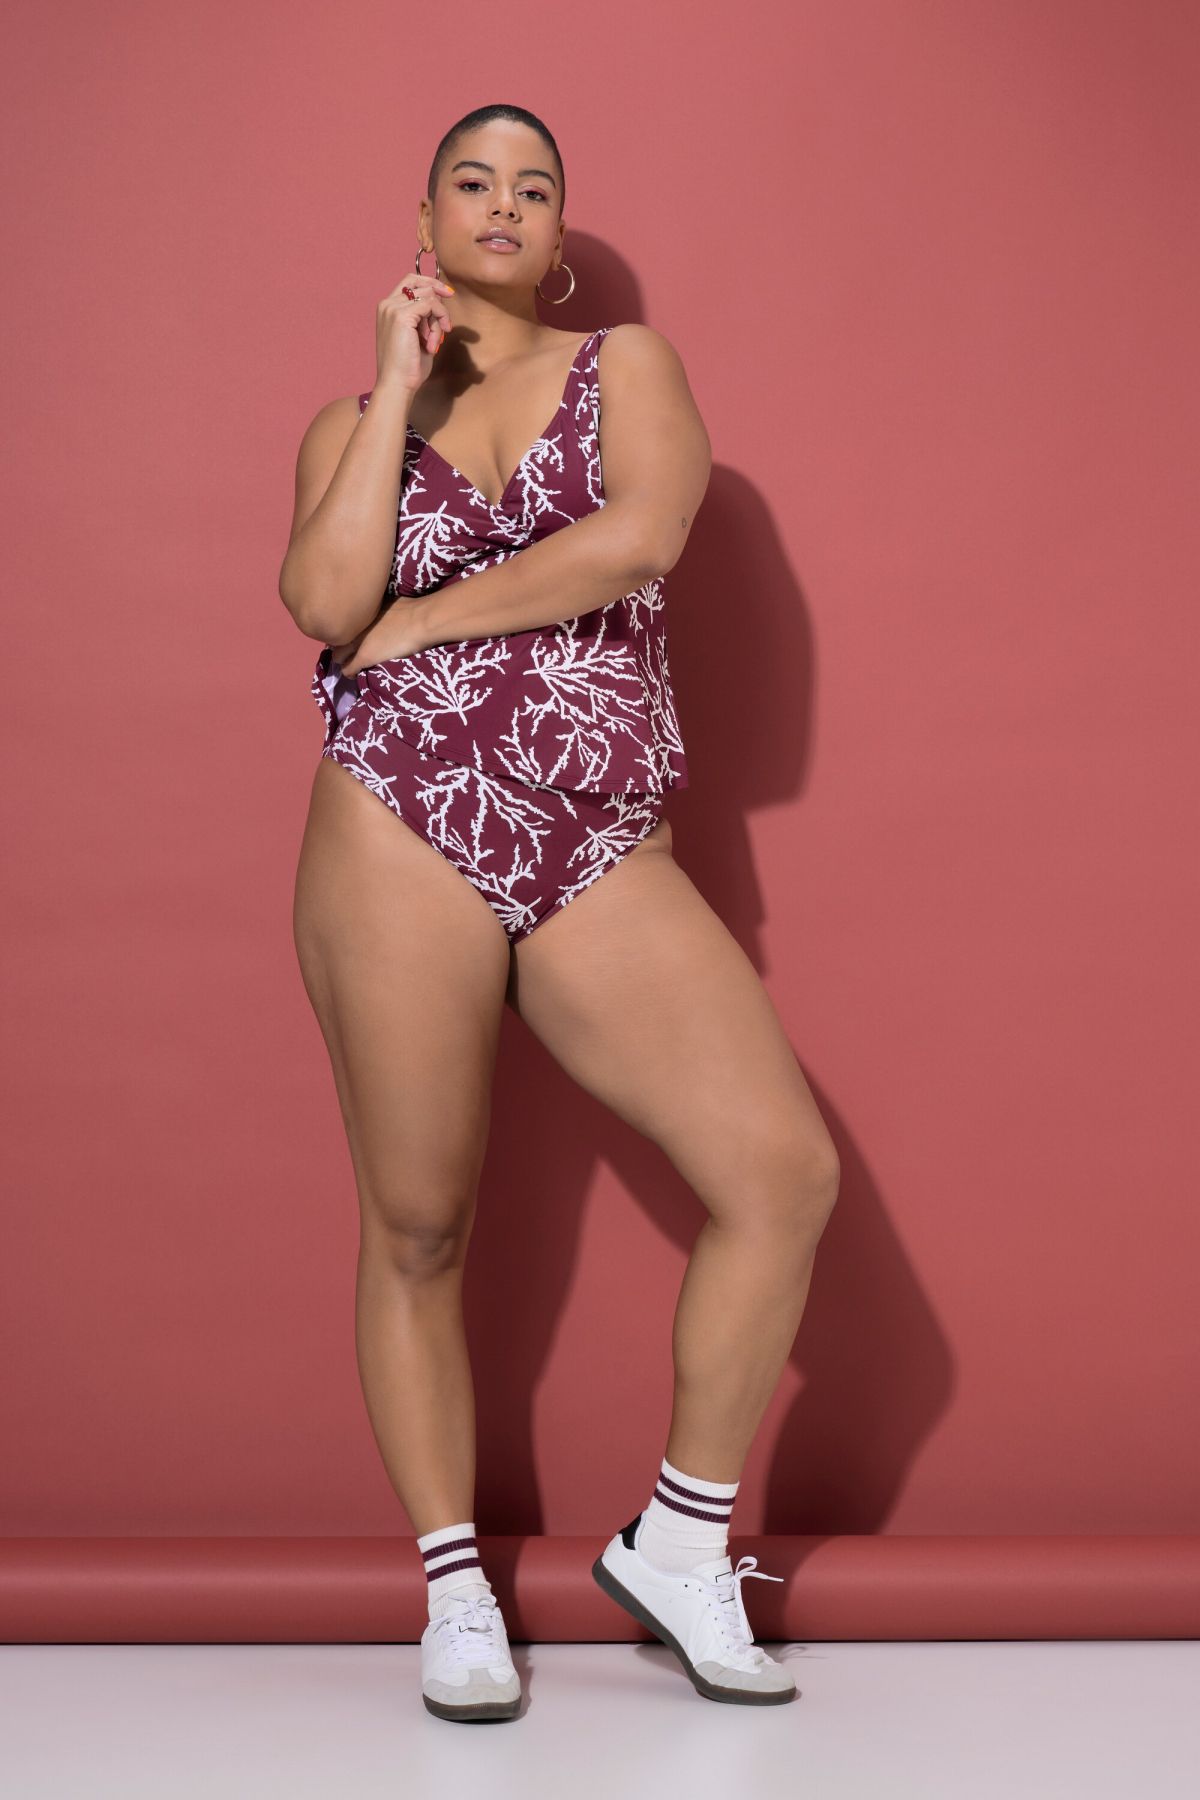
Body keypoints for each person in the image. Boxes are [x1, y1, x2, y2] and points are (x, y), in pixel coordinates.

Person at [280, 103, 840, 1721]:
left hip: (593, 835)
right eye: (474, 181)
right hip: (400, 813)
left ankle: (681, 1543)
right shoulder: (352, 420)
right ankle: (455, 1589)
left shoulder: (628, 367)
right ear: (427, 223)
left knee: (780, 1174)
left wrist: (424, 621)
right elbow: (322, 602)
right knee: (419, 1224)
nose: (505, 203)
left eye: (536, 186)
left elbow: (639, 537)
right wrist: (391, 388)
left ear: (562, 234)